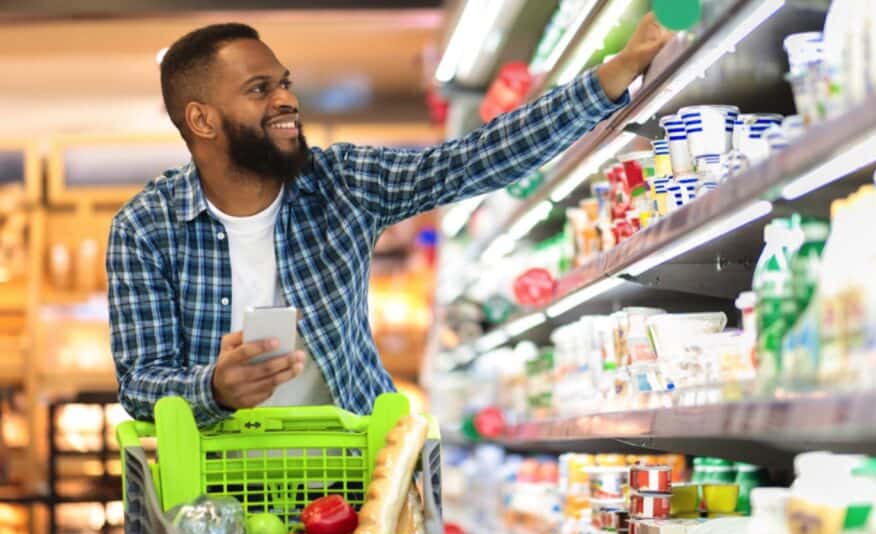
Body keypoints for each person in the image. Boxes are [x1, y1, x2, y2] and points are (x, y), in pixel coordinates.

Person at [107, 14, 673, 426]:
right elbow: (140, 384)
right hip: (221, 481)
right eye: (260, 89)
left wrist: (610, 77)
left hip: (351, 469)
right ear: (202, 120)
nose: (285, 100)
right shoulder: (145, 230)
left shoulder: (340, 183)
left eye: (285, 83)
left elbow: (469, 161)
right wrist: (214, 387)